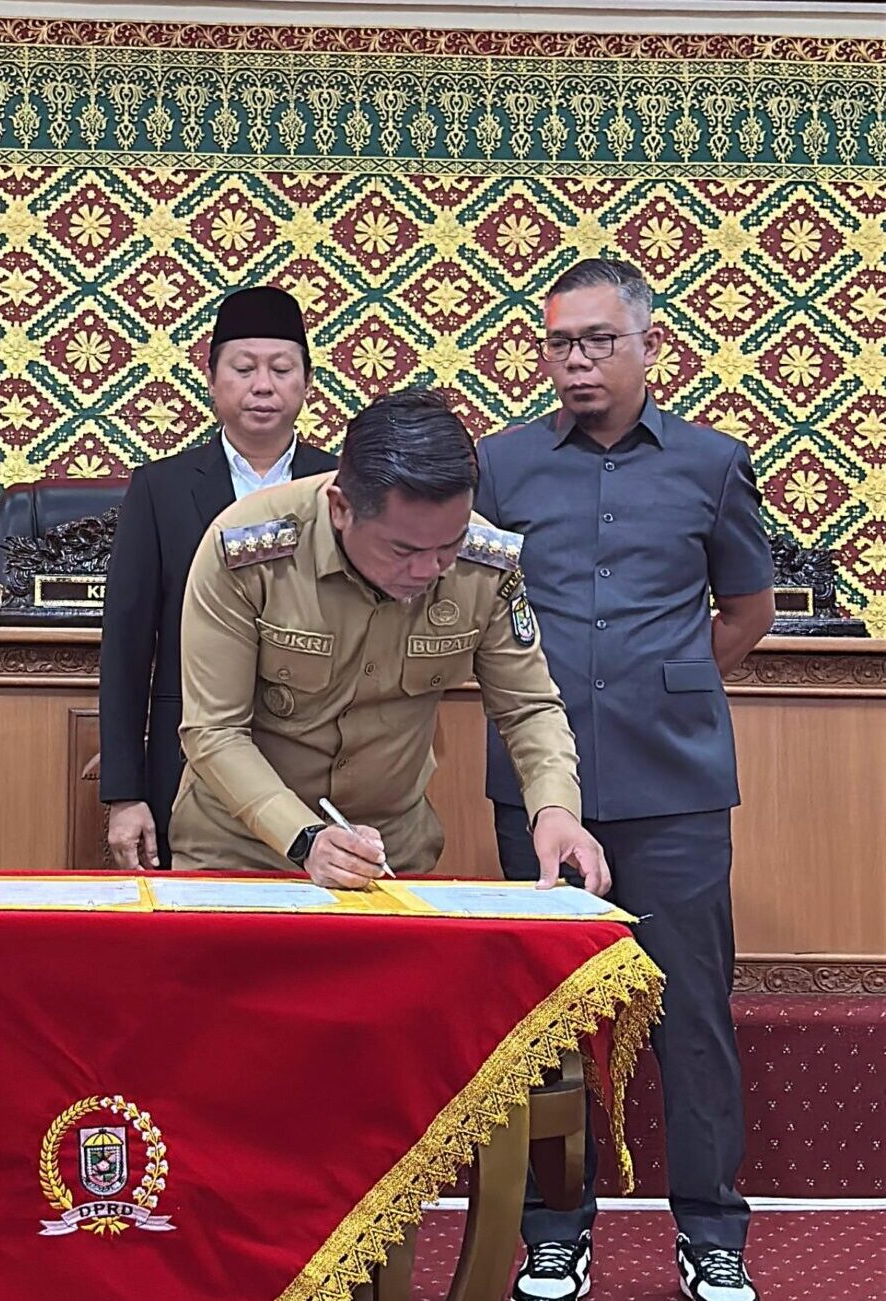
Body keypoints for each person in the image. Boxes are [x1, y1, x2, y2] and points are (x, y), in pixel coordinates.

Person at [475, 259, 774, 1301]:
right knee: (547, 1016)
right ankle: (554, 1230)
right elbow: (476, 606)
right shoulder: (501, 464)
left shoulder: (713, 463)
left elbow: (747, 608)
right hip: (538, 790)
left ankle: (712, 1231)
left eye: (599, 340)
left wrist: (666, 678)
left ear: (651, 346)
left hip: (675, 785)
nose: (577, 360)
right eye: (559, 342)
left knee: (692, 1012)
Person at [169, 386, 609, 897]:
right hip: (239, 850)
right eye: (402, 550)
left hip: (390, 856)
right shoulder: (249, 550)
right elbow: (214, 731)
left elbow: (528, 708)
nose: (428, 569)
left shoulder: (484, 565)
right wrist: (305, 837)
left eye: (448, 545)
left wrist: (555, 809)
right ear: (341, 508)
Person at [99, 287, 336, 870]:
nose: (263, 386)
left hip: (319, 760)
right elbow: (127, 644)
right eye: (244, 368)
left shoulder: (342, 485)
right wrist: (124, 793)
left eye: (282, 369)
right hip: (189, 756)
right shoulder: (161, 488)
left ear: (307, 383)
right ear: (210, 380)